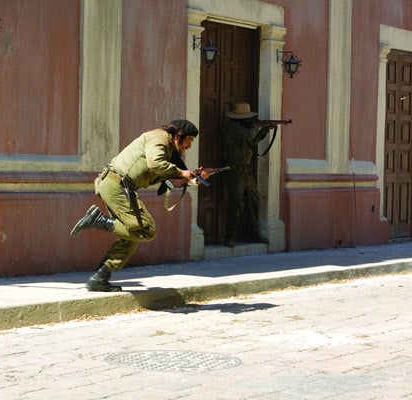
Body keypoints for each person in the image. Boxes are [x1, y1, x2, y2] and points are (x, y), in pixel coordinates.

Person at [70, 119, 204, 292]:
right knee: (146, 230)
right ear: (180, 136)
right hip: (117, 185)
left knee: (133, 235)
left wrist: (193, 179)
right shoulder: (160, 138)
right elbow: (155, 164)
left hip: (118, 186)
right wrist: (182, 172)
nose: (189, 146)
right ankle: (99, 221)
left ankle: (100, 277)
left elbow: (169, 178)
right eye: (190, 141)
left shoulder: (169, 149)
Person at [223, 102, 275, 247]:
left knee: (254, 200)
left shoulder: (244, 129)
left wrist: (265, 130)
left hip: (246, 171)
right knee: (236, 204)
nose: (249, 120)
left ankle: (252, 232)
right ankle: (229, 237)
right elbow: (251, 133)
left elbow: (253, 140)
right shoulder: (233, 129)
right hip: (234, 170)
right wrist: (258, 126)